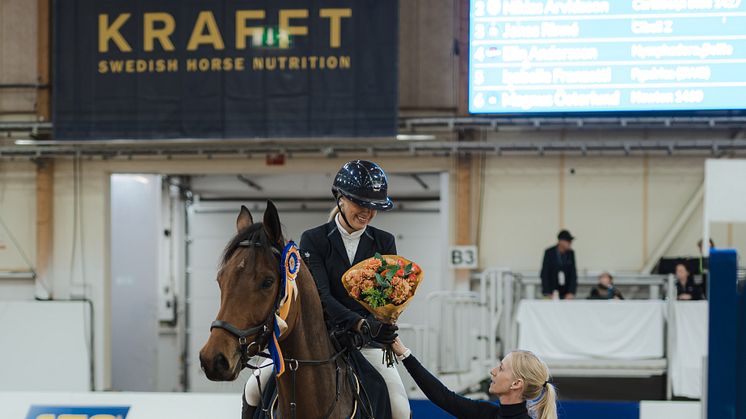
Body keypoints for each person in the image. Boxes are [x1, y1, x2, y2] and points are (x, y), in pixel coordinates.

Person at [299, 160, 410, 418]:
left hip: (367, 344)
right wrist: (359, 323)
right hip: (320, 342)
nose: (368, 213)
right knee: (255, 388)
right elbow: (321, 296)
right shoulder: (313, 239)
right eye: (362, 204)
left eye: (374, 207)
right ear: (341, 198)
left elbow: (385, 298)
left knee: (401, 409)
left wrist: (374, 324)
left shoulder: (384, 241)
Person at [392, 337, 557, 419]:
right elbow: (443, 397)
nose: (492, 371)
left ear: (516, 383)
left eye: (501, 368)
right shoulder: (488, 413)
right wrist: (405, 355)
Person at [540, 230, 577, 299]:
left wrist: (571, 292)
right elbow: (545, 273)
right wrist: (547, 292)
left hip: (566, 292)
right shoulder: (549, 253)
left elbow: (573, 274)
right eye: (568, 241)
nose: (570, 243)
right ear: (561, 241)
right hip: (551, 291)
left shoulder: (571, 253)